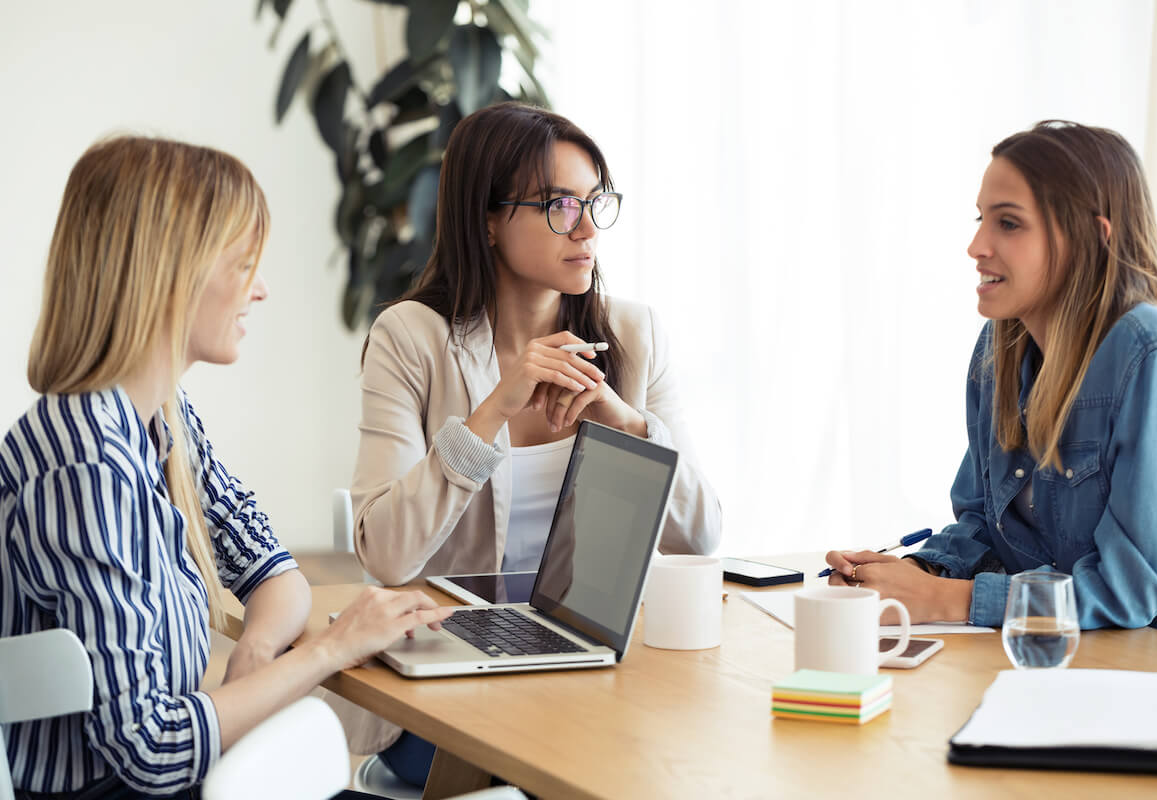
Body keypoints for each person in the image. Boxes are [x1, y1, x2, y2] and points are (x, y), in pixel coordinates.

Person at [0, 136, 453, 799]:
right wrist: (333, 648)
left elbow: (277, 572)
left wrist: (257, 653)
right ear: (169, 275)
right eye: (243, 264)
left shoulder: (163, 421)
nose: (261, 289)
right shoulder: (85, 466)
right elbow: (152, 750)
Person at [344, 101, 721, 783]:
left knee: (689, 753)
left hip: (592, 668)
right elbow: (388, 552)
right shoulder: (410, 339)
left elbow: (700, 535)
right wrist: (491, 412)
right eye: (557, 205)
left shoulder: (634, 337)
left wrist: (625, 425)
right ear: (488, 219)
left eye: (593, 203)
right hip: (445, 678)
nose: (586, 229)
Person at [825, 120, 1157, 639]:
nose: (976, 245)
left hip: (1144, 671)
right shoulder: (1000, 345)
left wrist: (952, 599)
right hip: (1040, 660)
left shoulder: (1151, 353)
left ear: (1092, 237)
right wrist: (920, 574)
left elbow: (1128, 588)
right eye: (981, 219)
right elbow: (982, 521)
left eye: (1009, 223)